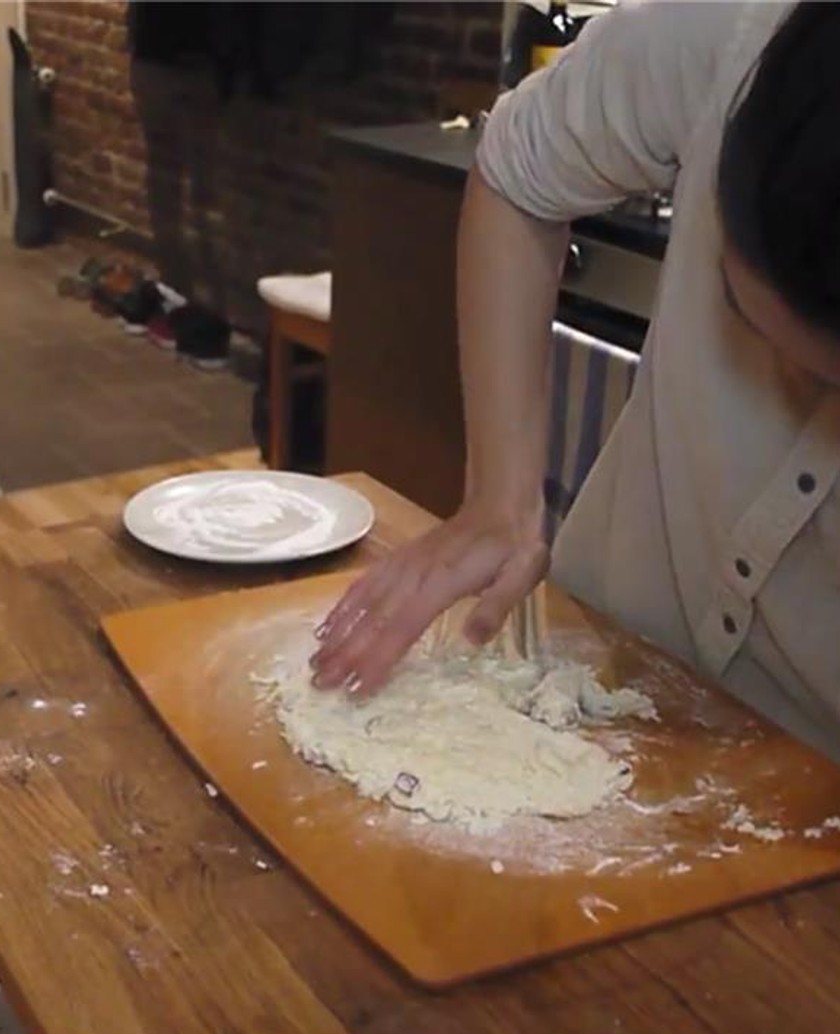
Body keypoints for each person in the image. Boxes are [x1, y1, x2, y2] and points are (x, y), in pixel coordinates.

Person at [311, 1, 840, 757]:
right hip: (599, 642)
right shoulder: (730, 30)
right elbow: (521, 169)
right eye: (740, 317)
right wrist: (499, 498)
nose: (789, 382)